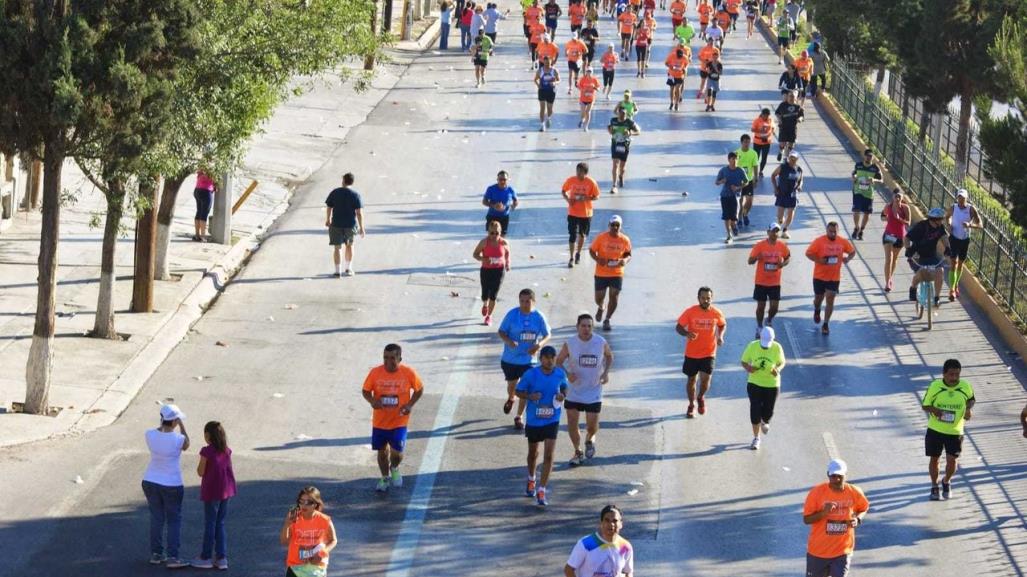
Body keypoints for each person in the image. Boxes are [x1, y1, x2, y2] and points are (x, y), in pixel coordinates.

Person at [361, 344, 425, 492]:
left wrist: (409, 405)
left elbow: (419, 389)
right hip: (380, 422)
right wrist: (372, 401)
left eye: (392, 358)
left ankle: (394, 467)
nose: (388, 361)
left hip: (399, 421)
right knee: (382, 452)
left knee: (397, 452)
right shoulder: (375, 373)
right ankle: (384, 478)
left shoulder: (408, 373)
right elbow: (365, 391)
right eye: (385, 357)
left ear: (399, 358)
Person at [557, 314, 614, 466]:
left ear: (592, 328)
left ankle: (590, 439)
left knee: (592, 426)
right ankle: (577, 452)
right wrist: (567, 374)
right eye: (583, 325)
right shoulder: (570, 343)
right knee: (572, 423)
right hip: (574, 391)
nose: (586, 329)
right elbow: (558, 362)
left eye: (589, 326)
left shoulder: (600, 342)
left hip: (593, 390)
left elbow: (609, 356)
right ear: (577, 327)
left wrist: (606, 372)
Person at [515, 345, 569, 506]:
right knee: (533, 454)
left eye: (553, 357)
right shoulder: (531, 374)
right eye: (546, 357)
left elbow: (565, 387)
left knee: (549, 455)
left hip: (552, 419)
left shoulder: (560, 373)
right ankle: (531, 478)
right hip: (534, 420)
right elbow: (518, 391)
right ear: (541, 359)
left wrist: (562, 395)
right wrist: (530, 396)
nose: (550, 360)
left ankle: (542, 489)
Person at [803, 460, 870, 577]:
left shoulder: (854, 492)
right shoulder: (816, 493)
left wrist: (858, 519)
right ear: (828, 475)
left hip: (842, 551)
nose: (837, 479)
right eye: (833, 476)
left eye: (840, 476)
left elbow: (863, 508)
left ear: (845, 475)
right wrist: (824, 512)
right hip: (818, 552)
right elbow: (807, 520)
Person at [143, 404, 190, 568]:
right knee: (173, 520)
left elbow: (159, 430)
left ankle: (156, 554)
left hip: (150, 480)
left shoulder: (149, 435)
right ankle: (173, 557)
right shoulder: (179, 439)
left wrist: (165, 422)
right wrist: (182, 425)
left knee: (156, 518)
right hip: (172, 483)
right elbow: (187, 444)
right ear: (175, 421)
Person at [922, 358, 976, 501]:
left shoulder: (965, 386)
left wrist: (968, 410)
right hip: (936, 430)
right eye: (951, 374)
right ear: (944, 374)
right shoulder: (935, 386)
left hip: (955, 431)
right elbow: (925, 405)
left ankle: (946, 481)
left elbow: (971, 399)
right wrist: (935, 410)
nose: (954, 378)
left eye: (957, 375)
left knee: (952, 461)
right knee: (935, 459)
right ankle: (934, 485)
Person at [498, 289, 552, 429]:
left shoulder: (539, 316)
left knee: (525, 388)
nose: (524, 304)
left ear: (533, 301)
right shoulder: (512, 314)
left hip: (529, 360)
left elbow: (548, 335)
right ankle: (511, 397)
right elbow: (501, 331)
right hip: (510, 359)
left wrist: (539, 344)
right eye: (522, 301)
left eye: (527, 301)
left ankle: (519, 416)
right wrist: (509, 341)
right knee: (512, 386)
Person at [190, 421, 236, 570]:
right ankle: (221, 558)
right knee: (220, 523)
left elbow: (200, 472)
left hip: (211, 492)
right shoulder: (226, 450)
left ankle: (206, 557)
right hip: (226, 491)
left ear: (207, 435)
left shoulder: (206, 451)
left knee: (210, 523)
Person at [675, 287, 727, 418]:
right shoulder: (690, 312)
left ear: (712, 298)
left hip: (709, 353)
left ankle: (701, 397)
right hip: (692, 353)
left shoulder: (716, 312)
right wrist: (687, 333)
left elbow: (722, 325)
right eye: (703, 298)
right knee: (691, 380)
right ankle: (691, 405)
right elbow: (678, 327)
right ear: (698, 298)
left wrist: (720, 336)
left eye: (708, 298)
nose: (706, 300)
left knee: (705, 380)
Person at [804, 221, 856, 335]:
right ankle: (817, 310)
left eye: (835, 232)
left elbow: (852, 251)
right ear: (827, 230)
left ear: (838, 231)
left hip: (834, 277)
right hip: (819, 276)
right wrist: (820, 260)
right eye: (830, 231)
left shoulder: (842, 242)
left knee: (830, 300)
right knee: (818, 299)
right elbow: (808, 253)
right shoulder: (819, 241)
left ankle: (826, 324)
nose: (833, 234)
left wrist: (848, 259)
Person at [741, 326, 786, 450]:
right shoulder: (752, 346)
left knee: (768, 412)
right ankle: (756, 438)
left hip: (772, 384)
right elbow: (744, 361)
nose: (766, 346)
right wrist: (748, 368)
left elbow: (782, 362)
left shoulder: (777, 347)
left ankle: (764, 420)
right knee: (755, 409)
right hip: (754, 382)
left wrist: (777, 369)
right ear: (760, 338)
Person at [280, 486, 338, 577]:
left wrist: (323, 552)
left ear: (315, 504)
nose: (304, 505)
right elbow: (284, 541)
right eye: (301, 501)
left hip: (316, 568)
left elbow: (333, 540)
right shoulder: (294, 518)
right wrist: (287, 524)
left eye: (308, 502)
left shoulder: (325, 520)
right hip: (295, 567)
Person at [564, 505, 634, 577]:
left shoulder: (625, 547)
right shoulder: (587, 543)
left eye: (615, 521)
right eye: (607, 520)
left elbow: (628, 572)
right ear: (601, 523)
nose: (611, 524)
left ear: (621, 524)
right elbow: (568, 569)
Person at [590, 215, 633, 331]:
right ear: (609, 226)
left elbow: (628, 254)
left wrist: (625, 260)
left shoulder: (625, 240)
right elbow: (592, 250)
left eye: (617, 225)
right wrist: (598, 259)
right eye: (613, 225)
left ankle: (607, 319)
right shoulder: (601, 238)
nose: (615, 227)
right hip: (601, 272)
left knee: (614, 296)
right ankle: (601, 306)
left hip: (617, 272)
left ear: (620, 227)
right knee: (598, 298)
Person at [748, 223, 790, 333]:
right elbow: (749, 261)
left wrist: (783, 264)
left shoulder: (782, 246)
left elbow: (787, 257)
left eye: (777, 231)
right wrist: (758, 257)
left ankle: (769, 319)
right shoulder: (760, 245)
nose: (775, 233)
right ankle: (759, 326)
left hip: (775, 282)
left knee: (775, 307)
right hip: (761, 281)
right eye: (773, 231)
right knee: (761, 306)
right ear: (768, 232)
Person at [905, 207, 950, 309]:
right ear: (935, 219)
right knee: (921, 272)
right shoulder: (921, 226)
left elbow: (944, 237)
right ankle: (913, 288)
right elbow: (906, 238)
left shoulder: (940, 227)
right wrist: (908, 249)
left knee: (940, 271)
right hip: (917, 256)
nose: (942, 220)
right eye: (940, 219)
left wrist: (948, 248)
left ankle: (936, 297)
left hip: (931, 256)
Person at [325, 173, 366, 277]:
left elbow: (329, 206)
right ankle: (348, 269)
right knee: (350, 246)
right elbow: (359, 213)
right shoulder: (355, 195)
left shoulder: (335, 192)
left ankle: (337, 271)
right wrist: (362, 228)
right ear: (352, 182)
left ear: (343, 180)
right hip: (350, 225)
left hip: (336, 224)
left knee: (337, 248)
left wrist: (328, 219)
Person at [946, 188, 982, 301]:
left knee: (960, 264)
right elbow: (947, 217)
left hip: (965, 239)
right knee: (953, 263)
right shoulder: (953, 207)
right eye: (959, 197)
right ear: (957, 198)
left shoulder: (971, 209)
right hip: (954, 238)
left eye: (963, 198)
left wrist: (970, 226)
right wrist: (949, 224)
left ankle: (956, 284)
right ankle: (951, 290)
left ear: (967, 198)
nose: (961, 200)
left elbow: (980, 225)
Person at [563, 162, 602, 266]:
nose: (578, 174)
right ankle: (571, 258)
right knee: (572, 235)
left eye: (580, 172)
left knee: (582, 235)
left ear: (586, 173)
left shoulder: (591, 182)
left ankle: (578, 253)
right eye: (577, 171)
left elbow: (597, 196)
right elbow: (563, 190)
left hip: (586, 213)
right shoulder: (571, 180)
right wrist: (568, 200)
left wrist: (587, 198)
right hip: (573, 212)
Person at [473, 220, 511, 325]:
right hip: (486, 270)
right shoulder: (484, 242)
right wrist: (482, 259)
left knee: (493, 295)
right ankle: (485, 304)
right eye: (491, 233)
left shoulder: (503, 242)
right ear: (488, 232)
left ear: (500, 232)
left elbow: (507, 253)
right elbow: (475, 254)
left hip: (499, 270)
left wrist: (507, 263)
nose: (494, 235)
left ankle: (489, 316)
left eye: (497, 233)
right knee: (485, 293)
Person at [880, 188, 911, 292]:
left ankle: (889, 277)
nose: (897, 198)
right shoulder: (888, 207)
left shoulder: (905, 208)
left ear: (902, 198)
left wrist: (899, 219)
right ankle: (887, 282)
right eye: (896, 196)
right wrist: (886, 218)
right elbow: (882, 216)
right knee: (888, 259)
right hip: (888, 235)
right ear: (892, 197)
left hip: (899, 237)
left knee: (894, 259)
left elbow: (908, 223)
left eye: (899, 196)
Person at [850, 148, 883, 240]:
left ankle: (861, 230)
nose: (869, 158)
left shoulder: (875, 168)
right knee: (856, 209)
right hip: (857, 191)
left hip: (868, 194)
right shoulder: (858, 165)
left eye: (871, 156)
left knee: (867, 213)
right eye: (868, 156)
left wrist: (874, 180)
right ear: (864, 156)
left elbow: (881, 180)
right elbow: (854, 174)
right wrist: (854, 177)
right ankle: (856, 227)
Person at [716, 151, 748, 244]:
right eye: (733, 159)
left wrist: (738, 187)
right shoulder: (723, 170)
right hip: (725, 196)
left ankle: (734, 225)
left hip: (735, 196)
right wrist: (723, 181)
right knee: (726, 216)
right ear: (729, 160)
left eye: (736, 159)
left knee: (734, 216)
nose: (735, 161)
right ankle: (729, 235)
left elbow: (746, 182)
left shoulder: (740, 170)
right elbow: (716, 182)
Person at [608, 107, 641, 194]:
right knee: (615, 164)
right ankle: (614, 185)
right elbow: (610, 129)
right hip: (615, 144)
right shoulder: (613, 120)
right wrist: (610, 131)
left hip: (625, 145)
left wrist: (630, 133)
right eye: (621, 114)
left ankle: (621, 176)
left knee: (622, 167)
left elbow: (639, 131)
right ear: (618, 113)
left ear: (626, 114)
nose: (622, 116)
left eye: (624, 115)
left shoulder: (629, 122)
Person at [771, 150, 803, 238]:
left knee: (790, 214)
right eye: (791, 157)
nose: (792, 159)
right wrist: (775, 188)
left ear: (797, 159)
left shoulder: (799, 169)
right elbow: (773, 175)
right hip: (782, 193)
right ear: (788, 158)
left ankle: (785, 230)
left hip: (792, 194)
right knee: (780, 217)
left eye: (794, 158)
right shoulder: (782, 167)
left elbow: (801, 180)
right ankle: (782, 224)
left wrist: (800, 186)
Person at [482, 170, 518, 235]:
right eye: (500, 179)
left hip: (504, 217)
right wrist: (494, 206)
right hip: (492, 216)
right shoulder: (491, 189)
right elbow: (484, 201)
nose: (502, 181)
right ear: (497, 179)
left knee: (502, 238)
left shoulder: (511, 190)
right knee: (491, 236)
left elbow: (515, 201)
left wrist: (511, 207)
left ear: (507, 180)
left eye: (504, 179)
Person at [735, 134, 759, 226]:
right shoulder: (737, 153)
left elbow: (755, 166)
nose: (747, 144)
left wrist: (756, 178)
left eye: (748, 142)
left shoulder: (753, 153)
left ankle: (745, 214)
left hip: (748, 180)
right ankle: (740, 218)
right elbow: (734, 167)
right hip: (739, 182)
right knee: (740, 201)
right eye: (745, 142)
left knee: (749, 201)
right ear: (741, 142)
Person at [775, 90, 804, 161]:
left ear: (795, 98)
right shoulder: (782, 105)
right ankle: (781, 151)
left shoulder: (798, 107)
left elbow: (802, 116)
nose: (791, 98)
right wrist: (779, 119)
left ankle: (785, 158)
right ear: (787, 97)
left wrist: (800, 119)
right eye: (790, 96)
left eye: (793, 96)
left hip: (793, 128)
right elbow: (777, 113)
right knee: (783, 143)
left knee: (791, 145)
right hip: (783, 127)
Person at [534, 55, 561, 131]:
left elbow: (559, 80)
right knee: (542, 108)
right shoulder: (540, 70)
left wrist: (555, 83)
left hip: (551, 91)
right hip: (542, 90)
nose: (547, 65)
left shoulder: (554, 71)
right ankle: (542, 125)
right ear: (543, 62)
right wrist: (538, 85)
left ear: (551, 62)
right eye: (545, 63)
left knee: (549, 108)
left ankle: (549, 118)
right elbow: (535, 79)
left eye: (548, 63)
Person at [664, 43, 690, 111]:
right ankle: (672, 102)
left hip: (680, 75)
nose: (679, 58)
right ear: (676, 54)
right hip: (671, 74)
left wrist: (685, 69)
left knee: (677, 89)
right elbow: (666, 63)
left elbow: (687, 65)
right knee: (672, 89)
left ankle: (676, 104)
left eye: (680, 56)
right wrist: (670, 66)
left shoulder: (685, 57)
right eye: (678, 56)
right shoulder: (671, 55)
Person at [193, 170, 217, 242]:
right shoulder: (213, 167)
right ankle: (203, 237)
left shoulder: (203, 165)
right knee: (204, 214)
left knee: (199, 212)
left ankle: (197, 235)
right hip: (206, 191)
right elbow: (215, 179)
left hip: (197, 190)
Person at [751, 108, 775, 179]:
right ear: (762, 115)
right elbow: (752, 129)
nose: (767, 117)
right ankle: (754, 172)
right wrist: (759, 130)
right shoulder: (757, 120)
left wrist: (771, 132)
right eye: (765, 115)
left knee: (764, 158)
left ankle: (761, 171)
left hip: (766, 142)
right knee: (756, 158)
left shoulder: (770, 120)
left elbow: (773, 127)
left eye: (768, 116)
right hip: (757, 142)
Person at [577, 66, 601, 131]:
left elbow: (598, 88)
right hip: (583, 98)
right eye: (588, 71)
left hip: (591, 99)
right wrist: (583, 89)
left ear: (592, 72)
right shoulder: (583, 79)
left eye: (590, 71)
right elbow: (578, 86)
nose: (589, 73)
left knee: (588, 112)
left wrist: (595, 88)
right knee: (583, 112)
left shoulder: (594, 79)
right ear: (586, 72)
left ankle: (586, 126)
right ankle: (582, 120)